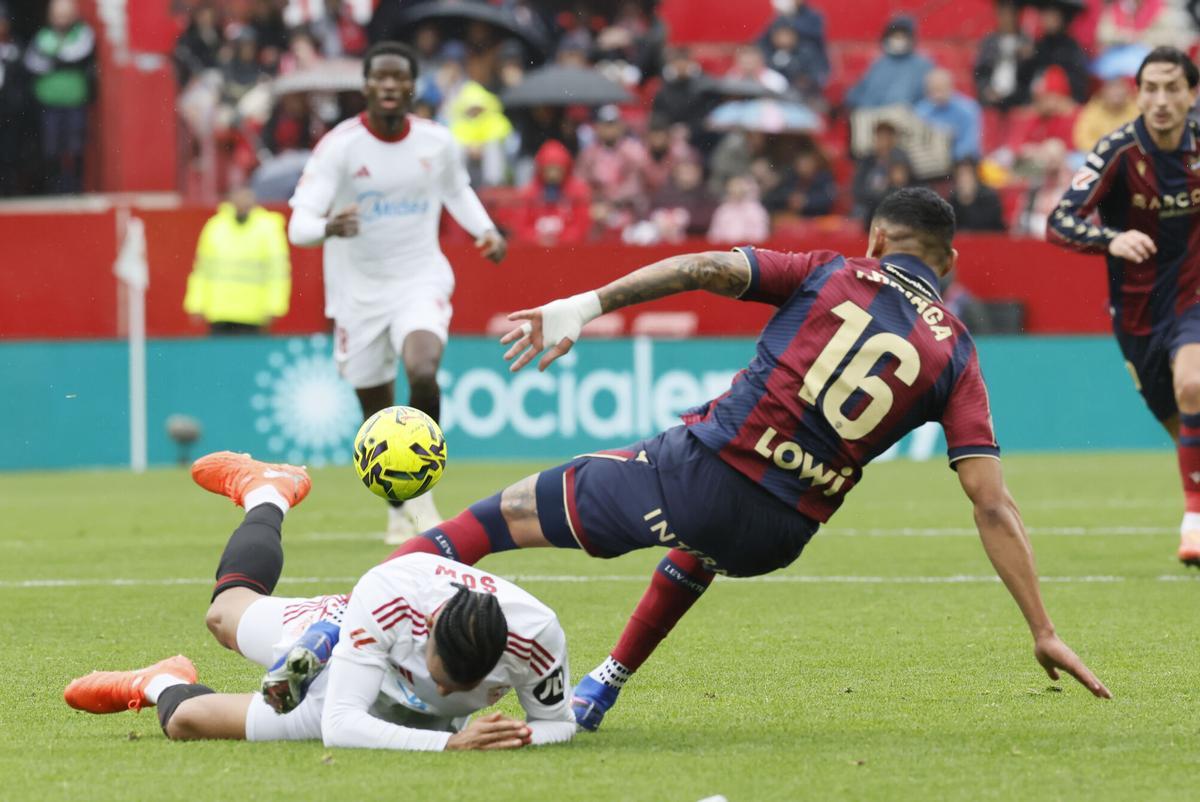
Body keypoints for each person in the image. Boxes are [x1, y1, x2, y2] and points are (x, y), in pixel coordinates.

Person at [362, 187, 1111, 731]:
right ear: (947, 262)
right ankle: (602, 687)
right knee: (700, 544)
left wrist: (584, 305)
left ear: (877, 241)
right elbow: (989, 500)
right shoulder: (958, 353)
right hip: (779, 537)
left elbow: (706, 269)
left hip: (702, 475)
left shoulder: (834, 272)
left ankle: (348, 624)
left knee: (507, 511)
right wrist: (1042, 627)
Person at [62, 452, 574, 750]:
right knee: (222, 621)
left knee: (182, 721)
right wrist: (450, 744)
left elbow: (560, 723)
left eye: (455, 683)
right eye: (439, 671)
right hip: (352, 652)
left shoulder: (537, 636)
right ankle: (269, 492)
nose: (440, 683)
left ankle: (159, 681)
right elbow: (340, 725)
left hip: (415, 713)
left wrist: (518, 736)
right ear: (432, 622)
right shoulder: (392, 596)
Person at [287, 41, 507, 543]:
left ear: (412, 86)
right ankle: (397, 503)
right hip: (357, 292)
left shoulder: (437, 142)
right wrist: (328, 227)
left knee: (423, 371)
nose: (389, 86)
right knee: (377, 412)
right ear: (365, 87)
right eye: (379, 78)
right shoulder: (340, 147)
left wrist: (486, 230)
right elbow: (299, 224)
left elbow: (456, 191)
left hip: (420, 276)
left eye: (398, 78)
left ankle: (423, 494)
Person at [1046, 46, 1200, 565]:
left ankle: (1194, 522)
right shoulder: (1116, 150)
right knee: (1179, 424)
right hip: (1136, 314)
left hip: (1194, 296)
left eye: (1171, 88)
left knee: (1194, 384)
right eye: (1150, 89)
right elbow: (1060, 220)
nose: (1160, 100)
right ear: (1138, 94)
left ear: (1191, 94)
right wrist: (1110, 239)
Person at [184, 186, 291, 335]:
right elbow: (202, 270)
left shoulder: (267, 229)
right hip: (219, 311)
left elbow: (277, 272)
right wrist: (196, 304)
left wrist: (274, 306)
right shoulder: (215, 227)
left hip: (254, 313)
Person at [24, 0, 94, 194]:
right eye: (58, 15)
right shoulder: (43, 36)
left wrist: (53, 59)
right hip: (49, 102)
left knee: (75, 148)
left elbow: (76, 54)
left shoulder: (82, 33)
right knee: (51, 149)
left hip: (74, 100)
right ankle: (54, 190)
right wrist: (59, 61)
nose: (61, 20)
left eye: (65, 15)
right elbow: (32, 62)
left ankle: (75, 190)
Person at [514, 140, 592, 247]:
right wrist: (538, 239)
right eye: (549, 169)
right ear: (541, 169)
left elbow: (582, 226)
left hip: (569, 252)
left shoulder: (578, 191)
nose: (553, 175)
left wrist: (560, 239)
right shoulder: (528, 193)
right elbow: (521, 228)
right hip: (535, 253)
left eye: (557, 169)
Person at [845, 15, 933, 110]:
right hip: (874, 116)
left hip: (907, 118)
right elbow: (860, 93)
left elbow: (930, 99)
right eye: (895, 36)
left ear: (910, 38)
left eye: (902, 37)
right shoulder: (879, 64)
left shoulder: (922, 65)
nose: (898, 41)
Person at [915, 68, 983, 162]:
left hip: (960, 160)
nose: (937, 95)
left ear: (951, 87)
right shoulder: (921, 111)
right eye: (933, 90)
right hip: (930, 162)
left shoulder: (968, 109)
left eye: (941, 89)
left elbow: (970, 145)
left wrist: (948, 158)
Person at [948, 159, 1006, 232]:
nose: (964, 179)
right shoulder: (953, 200)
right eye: (960, 176)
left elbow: (986, 226)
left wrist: (968, 201)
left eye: (968, 175)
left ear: (975, 177)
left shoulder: (989, 196)